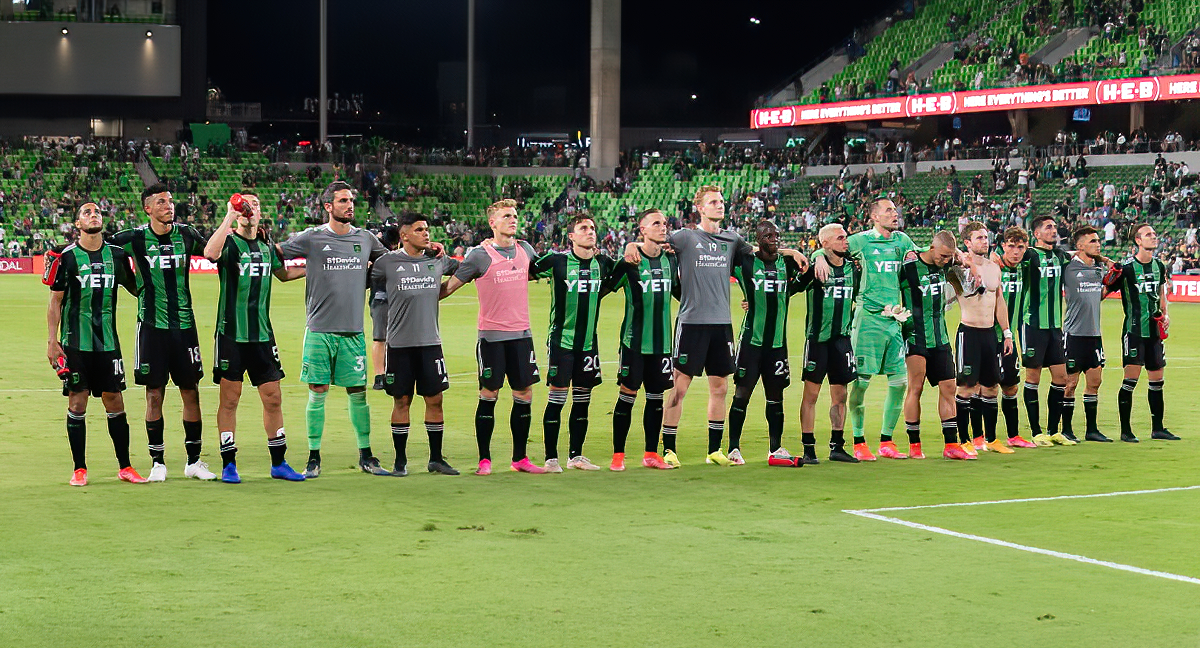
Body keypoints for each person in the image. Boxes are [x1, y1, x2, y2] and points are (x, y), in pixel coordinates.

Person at [622, 186, 805, 466]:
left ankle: (714, 450)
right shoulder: (685, 237)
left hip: (722, 325)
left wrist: (791, 250)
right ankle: (669, 448)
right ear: (700, 208)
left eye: (721, 202)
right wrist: (631, 245)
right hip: (692, 323)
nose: (719, 206)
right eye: (713, 202)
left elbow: (763, 251)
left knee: (719, 388)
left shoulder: (732, 240)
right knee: (679, 387)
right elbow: (654, 242)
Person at [279, 181, 391, 478]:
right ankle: (314, 457)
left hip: (353, 331)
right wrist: (302, 270)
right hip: (319, 329)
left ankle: (366, 455)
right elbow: (277, 253)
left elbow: (389, 262)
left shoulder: (366, 239)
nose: (350, 205)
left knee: (358, 393)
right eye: (342, 201)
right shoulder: (312, 238)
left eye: (351, 200)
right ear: (328, 206)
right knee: (317, 391)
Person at [111, 184, 214, 482]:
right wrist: (133, 285)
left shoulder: (187, 234)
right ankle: (158, 462)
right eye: (161, 202)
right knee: (153, 393)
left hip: (184, 326)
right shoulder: (133, 239)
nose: (169, 206)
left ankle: (194, 461)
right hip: (151, 328)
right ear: (148, 208)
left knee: (190, 392)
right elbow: (105, 251)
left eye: (170, 201)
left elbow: (214, 252)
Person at [202, 193, 307, 484]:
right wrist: (230, 216)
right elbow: (209, 254)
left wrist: (316, 269)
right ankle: (229, 463)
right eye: (245, 204)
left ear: (261, 213)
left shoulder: (266, 246)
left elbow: (283, 274)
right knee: (230, 400)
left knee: (273, 398)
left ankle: (279, 462)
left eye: (255, 205)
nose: (250, 209)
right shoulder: (229, 244)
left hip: (262, 335)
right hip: (231, 336)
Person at [46, 202, 147, 486]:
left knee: (115, 400)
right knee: (77, 403)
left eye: (97, 212)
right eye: (87, 213)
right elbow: (55, 301)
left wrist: (139, 259)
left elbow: (137, 288)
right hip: (76, 343)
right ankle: (79, 468)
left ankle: (125, 466)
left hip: (108, 344)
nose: (93, 215)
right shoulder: (67, 257)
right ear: (77, 224)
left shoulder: (116, 255)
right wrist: (52, 342)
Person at [443, 199, 544, 475]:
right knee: (489, 393)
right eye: (506, 216)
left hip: (522, 335)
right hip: (491, 338)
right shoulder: (479, 255)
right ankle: (484, 460)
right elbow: (450, 287)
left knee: (524, 393)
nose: (513, 220)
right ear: (492, 223)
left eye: (514, 215)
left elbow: (546, 271)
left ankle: (520, 459)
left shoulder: (526, 250)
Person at [813, 197, 917, 460]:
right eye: (889, 210)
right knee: (860, 383)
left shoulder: (902, 241)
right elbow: (827, 247)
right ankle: (858, 441)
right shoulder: (860, 240)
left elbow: (923, 255)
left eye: (895, 209)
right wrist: (818, 257)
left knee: (899, 382)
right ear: (874, 216)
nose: (895, 214)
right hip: (868, 320)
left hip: (894, 320)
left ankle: (887, 440)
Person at [370, 212, 460, 476]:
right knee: (401, 401)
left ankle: (436, 459)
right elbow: (367, 280)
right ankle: (400, 461)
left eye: (427, 230)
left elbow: (463, 268)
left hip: (430, 343)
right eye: (420, 229)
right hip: (399, 345)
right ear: (404, 234)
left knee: (435, 399)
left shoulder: (438, 261)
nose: (426, 234)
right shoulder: (386, 263)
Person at [530, 215, 615, 471]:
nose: (590, 232)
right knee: (557, 400)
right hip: (562, 342)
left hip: (589, 344)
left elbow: (627, 269)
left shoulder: (604, 262)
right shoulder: (557, 261)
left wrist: (633, 247)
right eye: (583, 228)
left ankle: (576, 456)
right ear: (571, 236)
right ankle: (551, 458)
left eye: (592, 228)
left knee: (582, 401)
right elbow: (527, 266)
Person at [603, 209, 679, 471]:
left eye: (665, 223)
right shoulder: (630, 262)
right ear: (642, 230)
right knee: (627, 395)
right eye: (656, 223)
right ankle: (618, 456)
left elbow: (683, 293)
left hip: (662, 345)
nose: (663, 227)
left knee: (656, 398)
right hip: (634, 342)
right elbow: (602, 289)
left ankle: (650, 454)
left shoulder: (671, 261)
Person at [728, 220, 805, 466]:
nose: (774, 238)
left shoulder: (788, 263)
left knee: (776, 397)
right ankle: (733, 448)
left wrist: (792, 252)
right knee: (742, 394)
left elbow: (799, 283)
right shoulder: (745, 263)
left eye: (777, 235)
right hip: (752, 341)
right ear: (758, 238)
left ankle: (775, 447)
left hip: (777, 345)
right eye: (768, 235)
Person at [1104, 224, 1178, 442]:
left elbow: (1161, 293)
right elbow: (1104, 291)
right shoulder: (1126, 269)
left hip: (1154, 333)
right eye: (1148, 235)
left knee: (1157, 381)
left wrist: (1165, 315)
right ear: (1137, 241)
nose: (1153, 237)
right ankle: (1126, 431)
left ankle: (1158, 429)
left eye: (1154, 234)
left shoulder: (1159, 266)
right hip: (1134, 331)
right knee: (1130, 381)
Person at [899, 231, 968, 460]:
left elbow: (965, 287)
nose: (945, 260)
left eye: (949, 256)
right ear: (931, 247)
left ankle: (951, 445)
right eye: (942, 255)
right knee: (915, 387)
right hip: (915, 335)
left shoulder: (947, 267)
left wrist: (959, 261)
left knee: (949, 387)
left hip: (941, 338)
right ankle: (914, 445)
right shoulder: (909, 265)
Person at [1007, 214, 1074, 446]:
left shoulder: (1061, 256)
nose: (1053, 230)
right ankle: (1036, 432)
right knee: (1033, 377)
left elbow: (1080, 258)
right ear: (1036, 234)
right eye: (1048, 227)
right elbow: (1008, 257)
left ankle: (1054, 430)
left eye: (1054, 227)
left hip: (1055, 327)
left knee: (1061, 378)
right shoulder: (1028, 255)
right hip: (1032, 324)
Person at [795, 223, 860, 464]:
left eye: (846, 237)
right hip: (817, 341)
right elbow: (789, 289)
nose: (846, 241)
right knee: (811, 395)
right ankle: (809, 448)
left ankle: (837, 446)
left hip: (842, 341)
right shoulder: (815, 270)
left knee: (840, 395)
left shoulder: (854, 268)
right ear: (825, 244)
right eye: (840, 238)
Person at [951, 222, 1014, 456]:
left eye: (986, 237)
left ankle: (991, 438)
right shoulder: (957, 268)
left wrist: (1006, 333)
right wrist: (966, 261)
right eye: (978, 238)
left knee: (991, 388)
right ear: (967, 242)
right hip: (969, 332)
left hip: (990, 334)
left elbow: (999, 302)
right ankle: (964, 439)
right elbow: (947, 251)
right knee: (966, 388)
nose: (984, 241)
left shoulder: (994, 268)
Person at [1062, 226, 1111, 443]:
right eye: (1092, 241)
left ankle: (1092, 430)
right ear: (1080, 245)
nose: (1098, 244)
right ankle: (1066, 429)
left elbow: (1098, 295)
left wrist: (1108, 268)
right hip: (1073, 334)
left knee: (1095, 381)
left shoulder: (1099, 271)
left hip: (1094, 335)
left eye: (1098, 241)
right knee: (1070, 384)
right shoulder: (1069, 268)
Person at [995, 228, 1038, 449]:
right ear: (1002, 246)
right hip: (989, 335)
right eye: (1011, 246)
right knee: (985, 388)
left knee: (1010, 387)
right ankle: (982, 438)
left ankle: (1013, 436)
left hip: (1010, 338)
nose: (1015, 251)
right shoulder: (993, 266)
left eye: (1020, 247)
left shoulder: (1025, 268)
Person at [370, 225, 400, 391]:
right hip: (384, 298)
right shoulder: (384, 255)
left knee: (381, 338)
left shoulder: (375, 254)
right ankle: (381, 375)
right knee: (382, 338)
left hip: (383, 298)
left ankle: (382, 375)